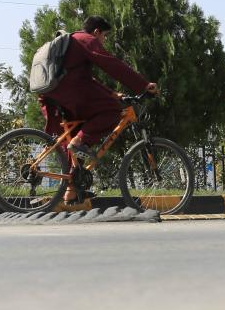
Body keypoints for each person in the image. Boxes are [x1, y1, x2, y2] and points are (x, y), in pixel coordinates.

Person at [39, 15, 158, 202]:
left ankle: (72, 190)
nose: (104, 40)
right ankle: (79, 142)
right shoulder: (86, 39)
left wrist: (111, 93)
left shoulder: (74, 42)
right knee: (112, 111)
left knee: (80, 131)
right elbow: (112, 65)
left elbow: (87, 79)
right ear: (96, 31)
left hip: (57, 93)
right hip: (68, 91)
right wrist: (143, 84)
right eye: (105, 36)